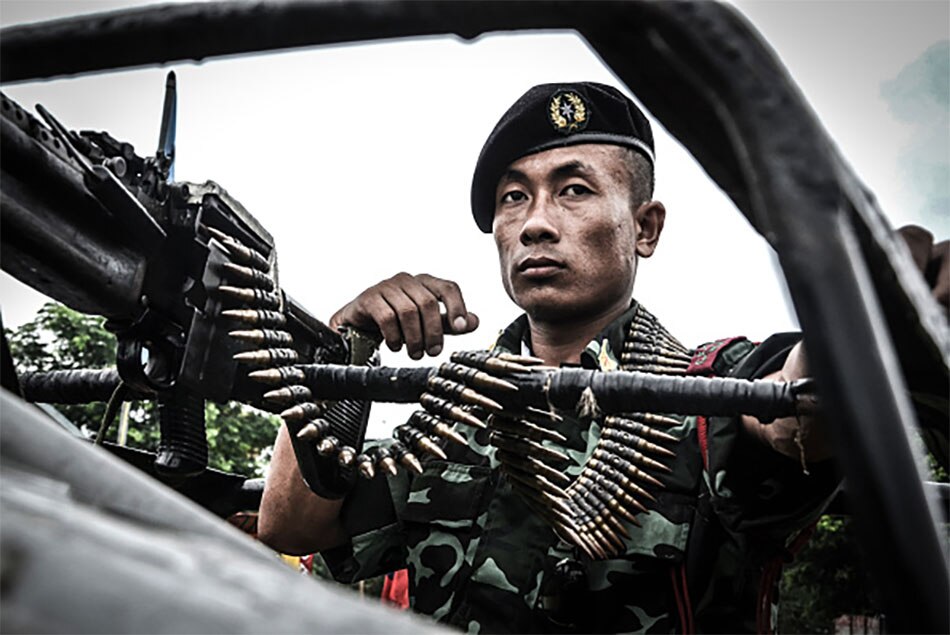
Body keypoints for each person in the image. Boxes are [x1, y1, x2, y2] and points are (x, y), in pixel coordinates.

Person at [259, 82, 947, 633]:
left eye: (575, 189)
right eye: (513, 197)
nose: (534, 222)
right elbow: (293, 525)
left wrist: (862, 325)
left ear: (645, 228)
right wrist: (346, 349)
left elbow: (791, 413)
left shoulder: (703, 391)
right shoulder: (455, 407)